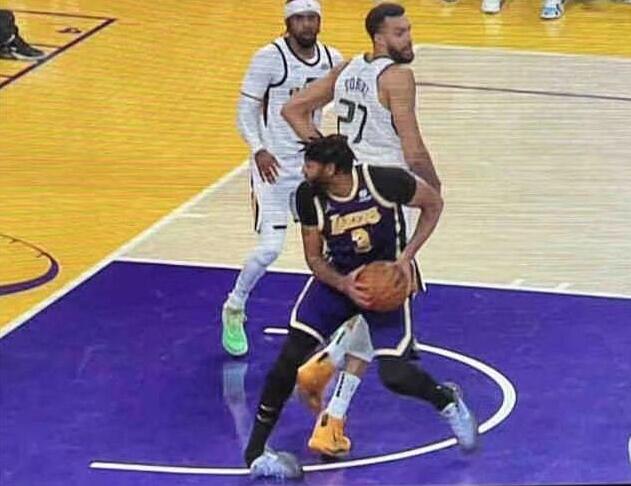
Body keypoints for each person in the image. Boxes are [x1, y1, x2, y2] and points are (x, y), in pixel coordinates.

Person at [245, 135, 477, 479]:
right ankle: (256, 455)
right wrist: (343, 284)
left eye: (310, 165)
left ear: (331, 169)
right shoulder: (308, 197)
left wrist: (406, 258)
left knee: (395, 375)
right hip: (338, 279)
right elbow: (314, 258)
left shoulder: (384, 181)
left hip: (384, 282)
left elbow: (434, 204)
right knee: (287, 361)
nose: (304, 170)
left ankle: (446, 400)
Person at [281, 2, 439, 426]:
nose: (409, 38)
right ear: (379, 37)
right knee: (384, 288)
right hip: (383, 193)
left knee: (373, 289)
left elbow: (292, 110)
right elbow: (412, 148)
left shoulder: (348, 69)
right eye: (400, 32)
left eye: (409, 30)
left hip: (343, 191)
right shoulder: (398, 77)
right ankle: (331, 411)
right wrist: (433, 187)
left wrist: (327, 158)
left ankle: (326, 366)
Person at [221, 0, 344, 356]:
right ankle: (234, 306)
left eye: (312, 18)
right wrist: (258, 148)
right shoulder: (269, 58)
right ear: (288, 23)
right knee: (270, 249)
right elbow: (245, 111)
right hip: (273, 168)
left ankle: (336, 318)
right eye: (299, 18)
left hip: (313, 171)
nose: (306, 25)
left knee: (336, 245)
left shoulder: (332, 59)